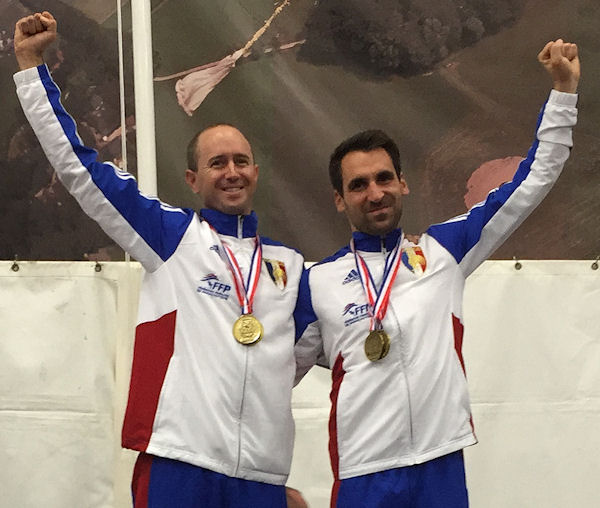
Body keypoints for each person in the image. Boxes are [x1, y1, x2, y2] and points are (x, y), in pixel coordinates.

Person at [13, 11, 307, 508]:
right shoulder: (172, 237)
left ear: (256, 173)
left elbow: (298, 358)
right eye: (217, 163)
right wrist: (30, 67)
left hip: (260, 476)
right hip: (178, 462)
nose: (231, 172)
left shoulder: (291, 269)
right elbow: (80, 169)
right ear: (192, 180)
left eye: (240, 161)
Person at [294, 39, 580, 507]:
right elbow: (263, 381)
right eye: (358, 185)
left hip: (439, 465)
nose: (375, 193)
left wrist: (563, 93)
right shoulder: (317, 283)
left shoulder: (443, 252)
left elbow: (530, 182)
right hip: (364, 475)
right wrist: (265, 481)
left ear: (403, 184)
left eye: (384, 178)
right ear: (339, 200)